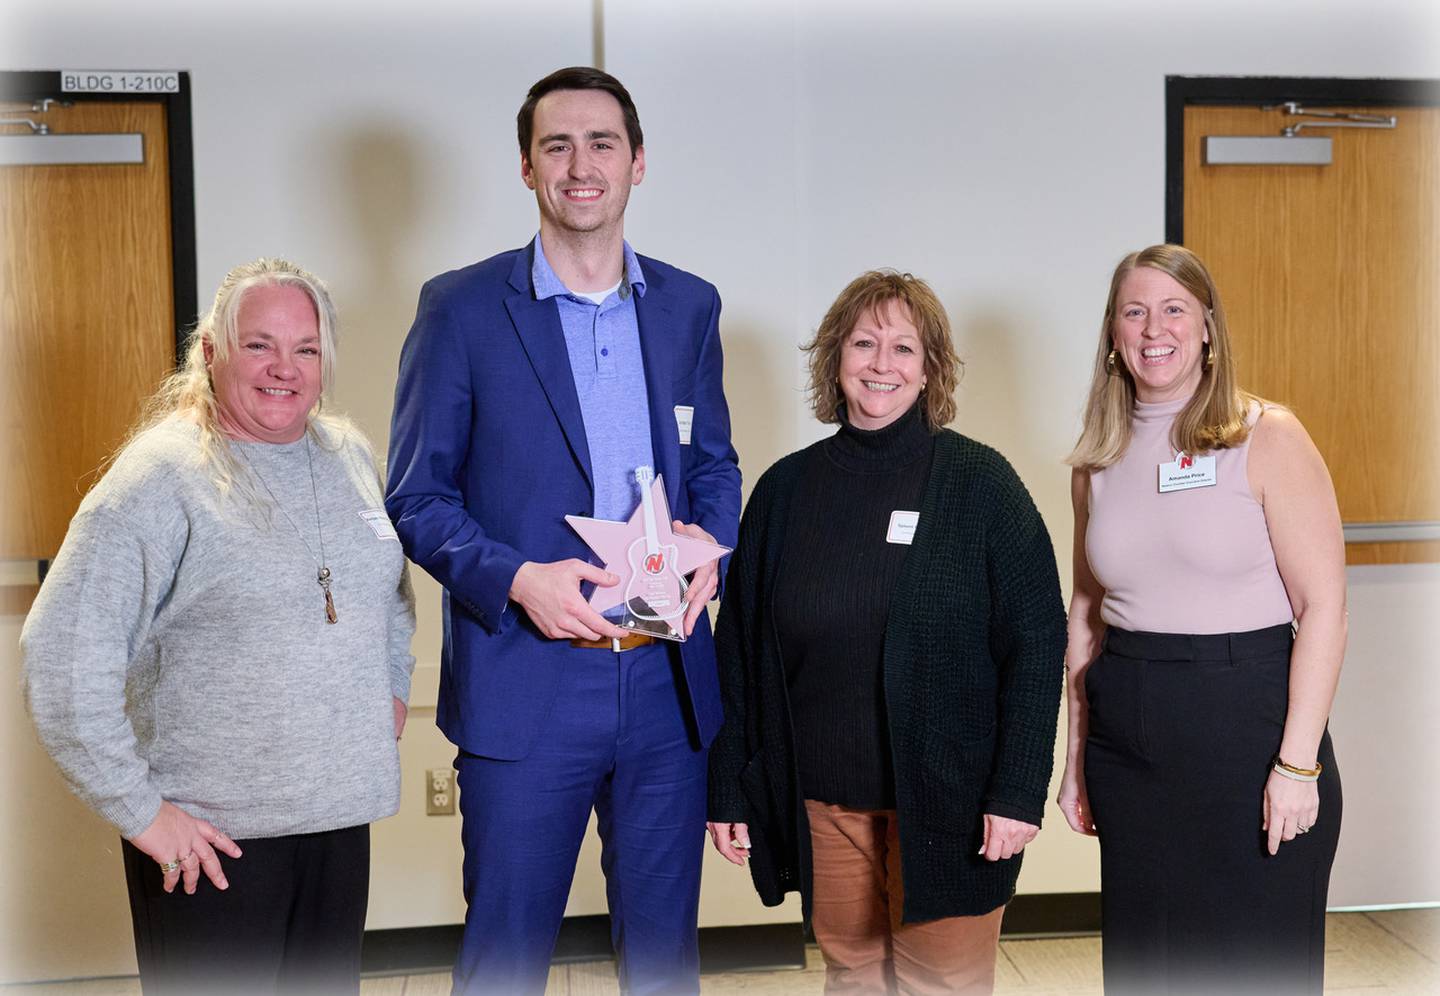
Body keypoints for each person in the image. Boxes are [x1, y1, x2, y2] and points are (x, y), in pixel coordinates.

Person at [384, 66, 740, 995]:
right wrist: (516, 580)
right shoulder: (459, 310)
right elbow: (417, 498)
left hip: (667, 680)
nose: (582, 165)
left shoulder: (689, 305)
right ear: (527, 167)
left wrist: (714, 546)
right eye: (558, 145)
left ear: (638, 164)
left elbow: (712, 466)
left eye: (602, 143)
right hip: (528, 680)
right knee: (503, 962)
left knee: (665, 965)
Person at [21, 258, 416, 994]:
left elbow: (388, 594)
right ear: (210, 351)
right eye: (259, 344)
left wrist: (389, 686)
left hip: (336, 823)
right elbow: (62, 656)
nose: (284, 369)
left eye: (305, 349)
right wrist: (143, 815)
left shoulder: (349, 456)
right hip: (214, 842)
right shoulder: (160, 478)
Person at [706, 270, 1066, 995]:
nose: (881, 364)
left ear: (930, 368)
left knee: (945, 984)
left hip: (952, 802)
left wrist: (1019, 791)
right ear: (835, 359)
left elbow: (1037, 643)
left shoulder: (981, 486)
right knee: (854, 978)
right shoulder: (784, 493)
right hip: (825, 802)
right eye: (864, 344)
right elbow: (738, 653)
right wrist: (728, 791)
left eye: (904, 348)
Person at [1056, 244, 1345, 994]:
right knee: (1148, 969)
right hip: (1130, 737)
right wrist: (1074, 758)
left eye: (1174, 308)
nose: (1155, 328)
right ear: (1114, 334)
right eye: (1135, 311)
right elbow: (1087, 614)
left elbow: (1323, 611)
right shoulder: (1099, 457)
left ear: (1208, 328)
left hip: (1248, 727)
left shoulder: (1268, 436)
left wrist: (1297, 765)